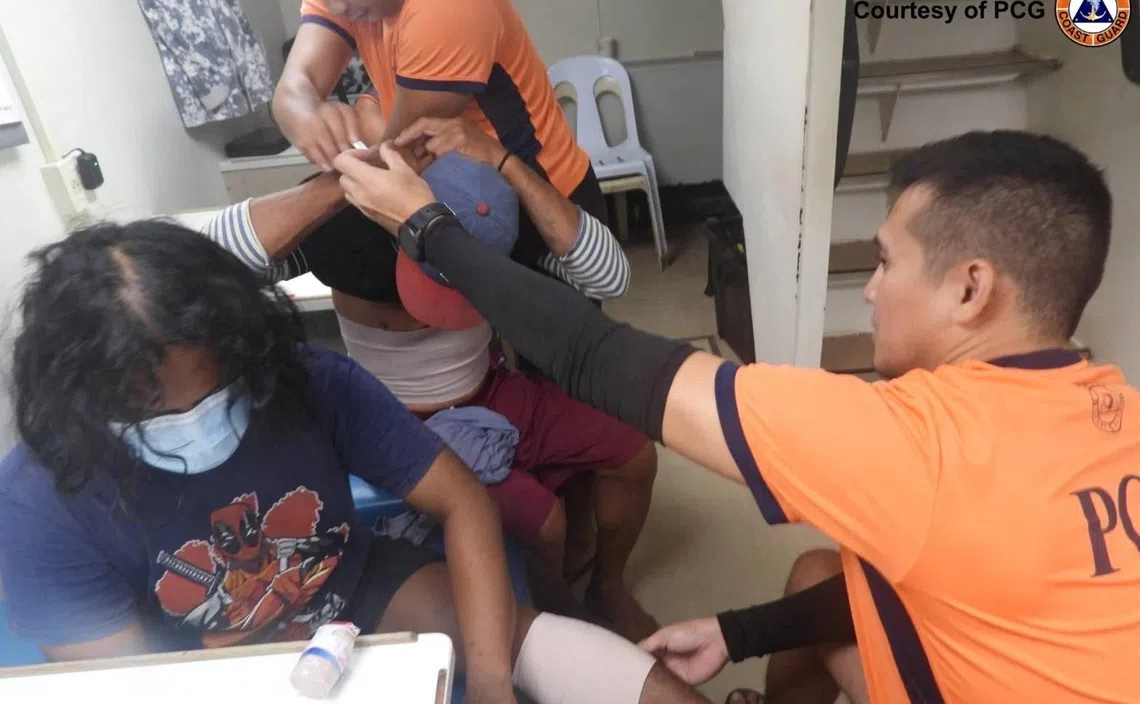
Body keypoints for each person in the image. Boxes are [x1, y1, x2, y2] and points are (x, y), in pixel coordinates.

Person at [329, 129, 1140, 703]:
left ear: (971, 288)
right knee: (827, 575)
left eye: (888, 261)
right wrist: (740, 633)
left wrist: (423, 224)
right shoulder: (1118, 413)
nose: (868, 287)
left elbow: (596, 355)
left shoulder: (915, 444)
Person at [0, 220, 710, 704]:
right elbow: (134, 686)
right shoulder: (42, 499)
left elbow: (462, 501)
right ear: (85, 402)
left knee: (543, 648)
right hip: (197, 658)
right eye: (156, 413)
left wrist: (493, 684)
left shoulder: (303, 379)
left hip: (351, 589)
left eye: (217, 393)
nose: (198, 423)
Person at [202, 97, 659, 642]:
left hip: (494, 390)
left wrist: (506, 163)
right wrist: (345, 181)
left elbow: (610, 277)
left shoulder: (478, 195)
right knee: (547, 523)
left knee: (634, 452)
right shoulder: (342, 220)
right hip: (396, 420)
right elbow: (205, 260)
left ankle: (608, 586)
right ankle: (556, 615)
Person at [261, 0, 608, 287]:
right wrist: (303, 113)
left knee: (557, 336)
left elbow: (399, 155)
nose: (333, 4)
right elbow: (293, 89)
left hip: (540, 195)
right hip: (461, 191)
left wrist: (294, 227)